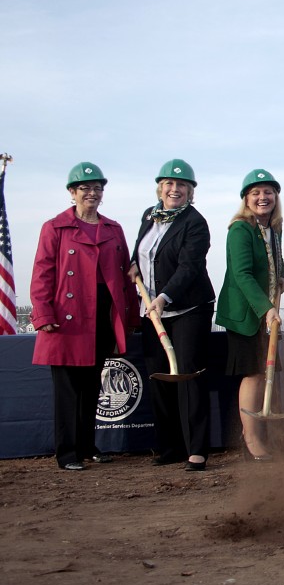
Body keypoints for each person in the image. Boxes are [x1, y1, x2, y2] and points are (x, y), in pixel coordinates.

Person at [30, 162, 139, 471]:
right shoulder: (54, 227)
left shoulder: (113, 229)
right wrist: (42, 313)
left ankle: (87, 447)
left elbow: (124, 276)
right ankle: (67, 454)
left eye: (97, 189)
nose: (92, 193)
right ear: (72, 193)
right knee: (67, 390)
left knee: (92, 385)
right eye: (85, 188)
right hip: (67, 318)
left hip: (101, 316)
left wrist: (130, 316)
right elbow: (42, 273)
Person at [129, 159, 216, 471]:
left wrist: (165, 297)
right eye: (169, 184)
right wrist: (133, 265)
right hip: (152, 312)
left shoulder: (195, 223)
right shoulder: (148, 216)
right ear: (160, 188)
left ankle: (196, 449)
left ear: (190, 192)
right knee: (159, 377)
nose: (174, 189)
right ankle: (170, 446)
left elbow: (189, 267)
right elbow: (142, 251)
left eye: (182, 185)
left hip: (188, 309)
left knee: (188, 374)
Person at [215, 169, 284, 462]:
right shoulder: (240, 230)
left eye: (268, 192)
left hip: (263, 313)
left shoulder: (274, 229)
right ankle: (251, 438)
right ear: (246, 198)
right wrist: (266, 308)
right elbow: (242, 275)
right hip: (246, 315)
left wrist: (280, 279)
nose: (262, 197)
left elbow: (274, 264)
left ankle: (259, 432)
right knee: (254, 374)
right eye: (255, 193)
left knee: (263, 372)